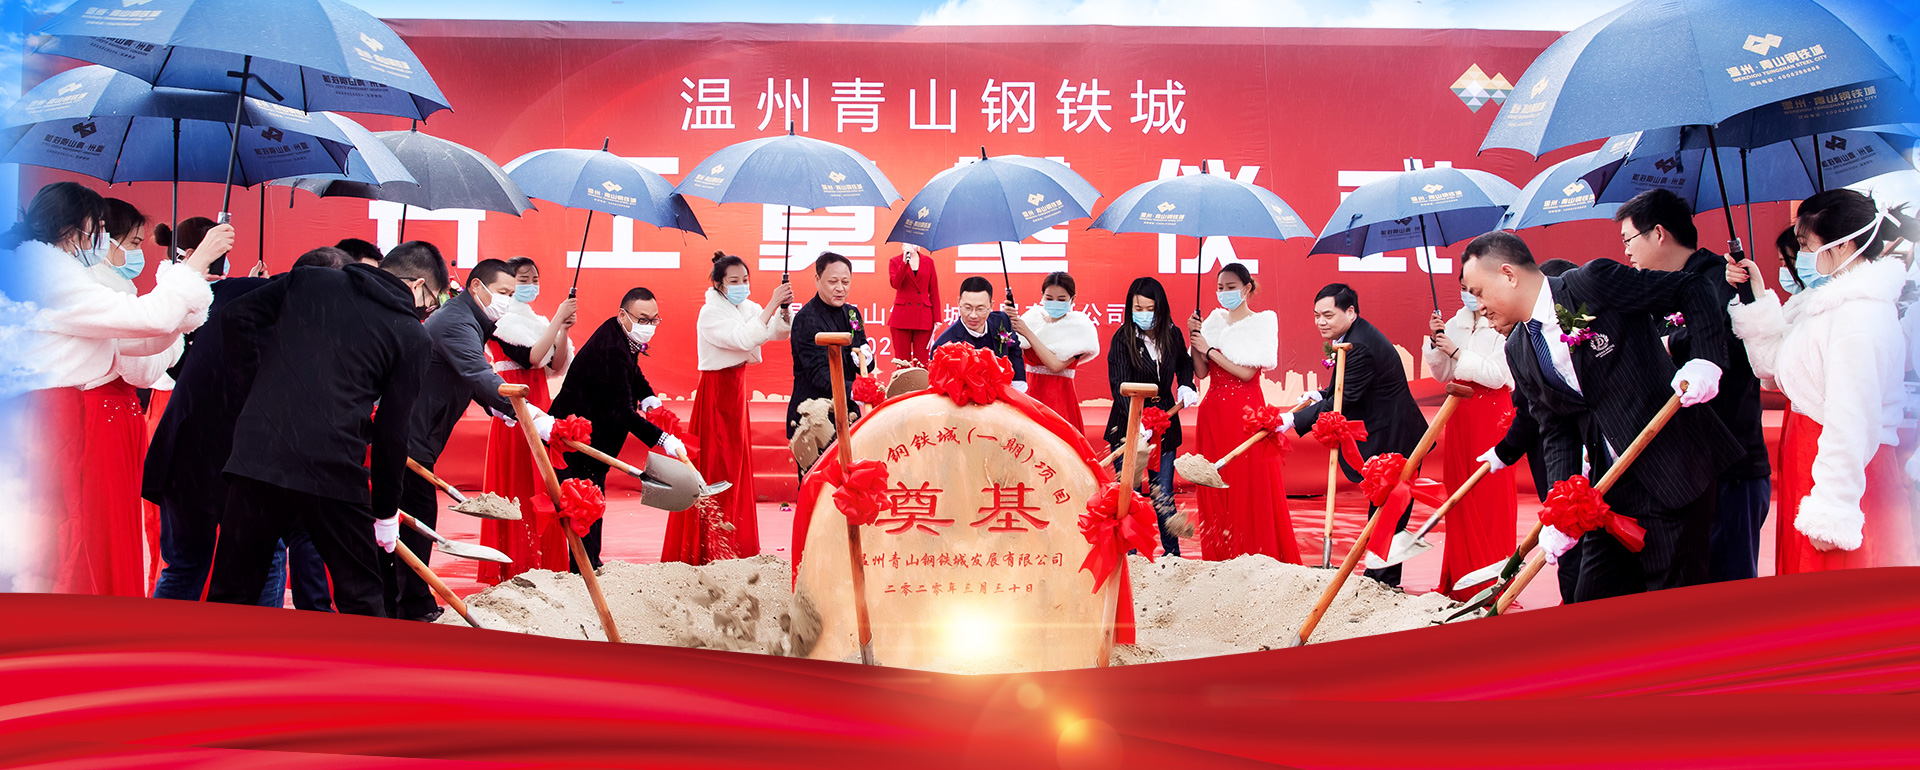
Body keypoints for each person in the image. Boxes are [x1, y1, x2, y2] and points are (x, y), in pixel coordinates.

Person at [1462, 231, 1737, 603]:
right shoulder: (1519, 349)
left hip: (1673, 470)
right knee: (1591, 602)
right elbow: (1557, 430)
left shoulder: (1590, 283)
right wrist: (1561, 509)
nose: (1478, 306)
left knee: (1672, 607)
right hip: (1608, 489)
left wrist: (1706, 360)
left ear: (1508, 274)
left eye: (1478, 292)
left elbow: (1692, 288)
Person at [12, 182, 231, 597]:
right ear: (71, 226)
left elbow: (138, 341)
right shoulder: (46, 274)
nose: (101, 237)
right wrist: (193, 266)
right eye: (97, 227)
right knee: (69, 537)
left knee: (80, 533)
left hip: (69, 412)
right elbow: (146, 321)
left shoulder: (57, 272)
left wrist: (184, 291)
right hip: (60, 415)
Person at [204, 243, 439, 616]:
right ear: (418, 286)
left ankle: (216, 654)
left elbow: (235, 317)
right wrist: (385, 512)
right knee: (361, 595)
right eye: (433, 300)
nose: (429, 308)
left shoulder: (312, 282)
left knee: (232, 590)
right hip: (334, 467)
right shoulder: (412, 334)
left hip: (260, 455)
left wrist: (258, 389)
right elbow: (392, 432)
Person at [1726, 189, 1920, 573]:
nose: (1800, 256)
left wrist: (1834, 506)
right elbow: (1772, 368)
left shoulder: (1859, 316)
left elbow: (1852, 419)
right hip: (1810, 456)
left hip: (1840, 469)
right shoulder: (1825, 305)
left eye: (1805, 245)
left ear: (1843, 245)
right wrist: (1755, 296)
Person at [145, 248, 348, 609]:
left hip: (184, 452)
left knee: (185, 565)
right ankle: (257, 641)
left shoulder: (230, 289)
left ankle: (160, 642)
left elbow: (180, 357)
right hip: (240, 462)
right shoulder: (305, 325)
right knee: (266, 561)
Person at [1615, 189, 1771, 583]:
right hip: (1679, 469)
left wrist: (1669, 343)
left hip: (1729, 463)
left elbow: (1727, 341)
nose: (1626, 252)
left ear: (1659, 234)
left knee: (1728, 585)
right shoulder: (1658, 289)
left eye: (1629, 240)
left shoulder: (1724, 278)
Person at [398, 253, 558, 620]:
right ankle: (411, 607)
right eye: (503, 292)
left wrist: (504, 412)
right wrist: (530, 415)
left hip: (421, 433)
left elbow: (472, 381)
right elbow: (478, 375)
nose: (508, 299)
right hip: (409, 434)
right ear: (476, 287)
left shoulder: (471, 319)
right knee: (416, 517)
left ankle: (403, 603)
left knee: (414, 517)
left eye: (512, 293)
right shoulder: (457, 321)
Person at [1283, 284, 1428, 586]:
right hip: (1387, 433)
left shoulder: (1360, 345)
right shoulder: (1353, 336)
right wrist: (1320, 393)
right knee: (1384, 510)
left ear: (1350, 311)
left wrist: (1291, 420)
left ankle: (1383, 582)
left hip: (1396, 436)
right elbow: (1344, 387)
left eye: (1328, 315)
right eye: (1316, 315)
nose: (1321, 322)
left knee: (1388, 511)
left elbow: (1346, 397)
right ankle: (1377, 578)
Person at [549, 288, 699, 571]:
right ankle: (581, 571)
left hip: (595, 437)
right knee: (582, 505)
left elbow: (632, 372)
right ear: (623, 315)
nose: (649, 326)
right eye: (642, 319)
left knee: (593, 498)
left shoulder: (622, 335)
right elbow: (621, 413)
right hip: (574, 438)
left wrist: (648, 396)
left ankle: (591, 564)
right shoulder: (612, 347)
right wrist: (662, 439)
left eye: (654, 320)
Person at [672, 252, 793, 564]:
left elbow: (775, 332)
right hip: (716, 393)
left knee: (735, 466)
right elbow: (742, 338)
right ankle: (709, 546)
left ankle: (735, 543)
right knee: (716, 465)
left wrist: (783, 310)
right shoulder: (709, 313)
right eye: (734, 281)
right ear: (719, 284)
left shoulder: (746, 307)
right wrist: (771, 305)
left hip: (737, 392)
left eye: (745, 280)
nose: (742, 285)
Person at [1186, 264, 1297, 563]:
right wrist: (1195, 339)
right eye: (1220, 288)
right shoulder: (1213, 322)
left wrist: (1209, 349)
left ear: (1247, 288)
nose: (1224, 293)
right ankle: (1220, 554)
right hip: (1213, 411)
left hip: (1246, 412)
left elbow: (1247, 373)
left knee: (1247, 481)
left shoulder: (1261, 323)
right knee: (1215, 479)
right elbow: (1201, 373)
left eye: (1231, 287)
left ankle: (1254, 554)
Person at [477, 256, 577, 584]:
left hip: (541, 404)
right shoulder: (501, 321)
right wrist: (557, 319)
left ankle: (547, 560)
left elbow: (556, 366)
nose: (531, 285)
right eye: (523, 279)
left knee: (544, 482)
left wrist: (562, 328)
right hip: (514, 406)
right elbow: (531, 358)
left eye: (535, 278)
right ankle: (515, 564)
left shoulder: (536, 320)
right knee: (519, 483)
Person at [1420, 279, 1518, 600]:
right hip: (1460, 413)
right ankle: (1460, 576)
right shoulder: (1454, 323)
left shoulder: (1505, 320)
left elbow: (1499, 375)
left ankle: (1492, 580)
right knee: (1459, 492)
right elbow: (1444, 374)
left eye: (1475, 287)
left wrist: (1456, 351)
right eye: (1464, 286)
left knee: (1490, 495)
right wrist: (1436, 343)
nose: (1469, 294)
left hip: (1492, 415)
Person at [1103, 277, 1196, 556]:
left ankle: (1172, 556)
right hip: (1128, 423)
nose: (1144, 314)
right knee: (1128, 494)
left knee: (1162, 492)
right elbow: (1118, 385)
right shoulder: (1123, 338)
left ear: (1161, 308)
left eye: (1150, 308)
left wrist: (1186, 384)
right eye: (1138, 308)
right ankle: (1129, 555)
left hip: (1165, 423)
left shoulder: (1172, 334)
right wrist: (1137, 422)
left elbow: (1184, 363)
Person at [788, 252, 868, 452]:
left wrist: (867, 358)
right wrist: (855, 390)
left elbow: (862, 350)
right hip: (813, 417)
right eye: (833, 282)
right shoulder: (806, 319)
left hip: (847, 414)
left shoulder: (852, 314)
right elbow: (819, 374)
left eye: (845, 282)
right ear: (817, 279)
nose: (840, 288)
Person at [1013, 271, 1099, 427]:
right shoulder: (1031, 319)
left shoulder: (1079, 327)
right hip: (1029, 397)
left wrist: (1028, 333)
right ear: (1042, 296)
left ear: (1072, 299)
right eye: (1049, 298)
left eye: (1061, 299)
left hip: (1060, 402)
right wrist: (1007, 321)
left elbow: (1055, 366)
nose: (1054, 303)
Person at [930, 276, 1027, 389]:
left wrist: (1018, 385)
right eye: (967, 308)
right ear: (958, 302)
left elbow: (1013, 349)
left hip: (1004, 390)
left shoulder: (1001, 321)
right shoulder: (944, 345)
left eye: (980, 309)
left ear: (991, 305)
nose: (973, 315)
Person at [888, 244, 938, 366]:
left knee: (922, 363)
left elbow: (934, 291)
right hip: (901, 317)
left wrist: (937, 319)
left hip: (923, 317)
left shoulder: (928, 262)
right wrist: (904, 263)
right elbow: (895, 283)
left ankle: (921, 380)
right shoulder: (895, 261)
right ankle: (902, 379)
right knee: (902, 363)